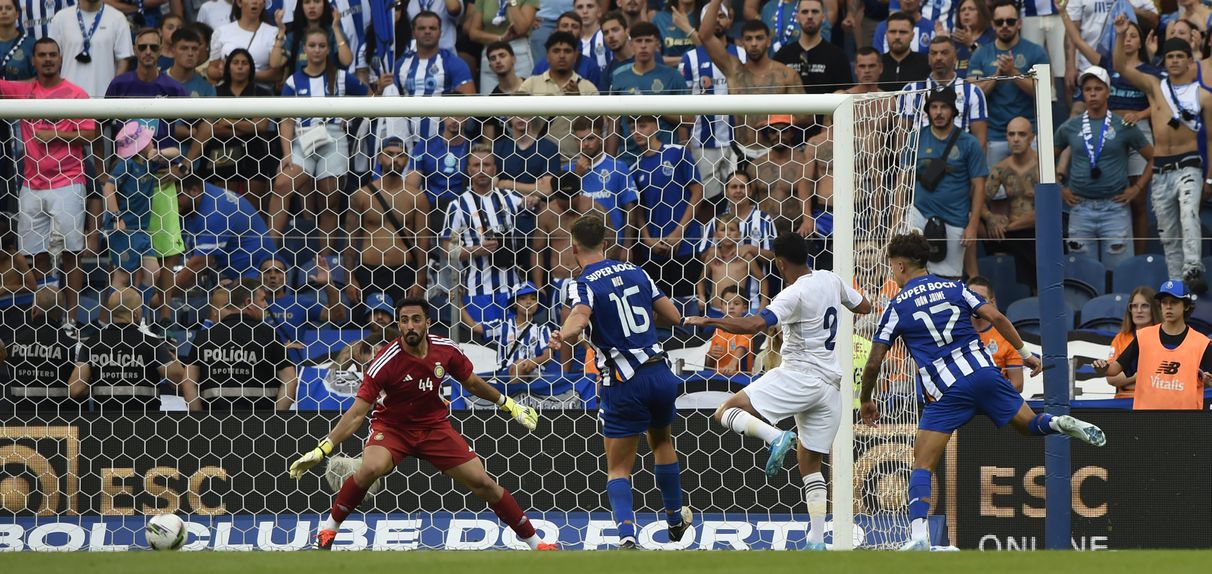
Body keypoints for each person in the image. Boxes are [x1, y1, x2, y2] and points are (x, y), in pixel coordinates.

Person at [859, 231, 1105, 551]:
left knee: (922, 464)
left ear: (902, 266)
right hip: (985, 373)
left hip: (947, 389)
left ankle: (919, 538)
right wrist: (1027, 355)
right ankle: (1059, 422)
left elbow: (875, 361)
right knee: (1030, 426)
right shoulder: (955, 287)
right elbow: (995, 316)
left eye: (892, 267)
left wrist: (866, 399)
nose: (892, 272)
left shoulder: (897, 306)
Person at [289, 297, 556, 550]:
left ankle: (536, 543)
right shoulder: (383, 363)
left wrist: (508, 405)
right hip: (392, 429)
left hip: (434, 428)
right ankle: (328, 530)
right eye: (404, 320)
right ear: (398, 325)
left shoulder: (446, 350)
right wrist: (323, 448)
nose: (409, 326)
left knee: (483, 483)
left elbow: (472, 382)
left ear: (427, 322)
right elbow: (357, 413)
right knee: (370, 468)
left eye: (416, 319)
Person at [686, 232, 872, 550]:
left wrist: (708, 320)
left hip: (799, 376)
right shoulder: (830, 279)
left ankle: (775, 437)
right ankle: (816, 540)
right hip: (830, 386)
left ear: (780, 262)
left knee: (726, 410)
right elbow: (865, 306)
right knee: (810, 463)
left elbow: (754, 325)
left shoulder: (792, 294)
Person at [550, 215, 692, 550]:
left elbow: (580, 316)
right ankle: (674, 520)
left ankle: (627, 536)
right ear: (605, 243)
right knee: (662, 442)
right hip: (659, 371)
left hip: (623, 380)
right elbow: (672, 316)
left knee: (618, 468)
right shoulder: (636, 271)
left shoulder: (581, 283)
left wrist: (564, 334)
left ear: (573, 248)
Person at [0, 37, 97, 326]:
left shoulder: (76, 94)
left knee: (70, 252)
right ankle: (45, 315)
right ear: (33, 59)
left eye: (52, 54)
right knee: (37, 253)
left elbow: (90, 134)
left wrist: (55, 135)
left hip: (68, 181)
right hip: (32, 183)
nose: (47, 59)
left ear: (61, 58)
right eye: (41, 55)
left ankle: (69, 318)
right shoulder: (23, 91)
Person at [1114, 19, 1210, 293]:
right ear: (1164, 60)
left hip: (1189, 163)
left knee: (1189, 214)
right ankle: (1178, 285)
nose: (1176, 61)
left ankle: (1193, 267)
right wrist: (1121, 36)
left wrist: (1211, 178)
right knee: (1167, 231)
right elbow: (1121, 67)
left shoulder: (1203, 95)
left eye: (1181, 56)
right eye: (1170, 56)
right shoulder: (1156, 86)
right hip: (1160, 168)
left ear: (1190, 60)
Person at [275, 27, 369, 255]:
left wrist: (351, 114)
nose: (317, 50)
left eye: (321, 45)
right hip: (303, 138)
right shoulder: (293, 81)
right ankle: (270, 251)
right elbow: (286, 120)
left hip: (333, 136)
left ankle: (324, 261)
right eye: (312, 45)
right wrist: (287, 153)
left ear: (329, 49)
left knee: (329, 198)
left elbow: (369, 97)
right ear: (304, 49)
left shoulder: (343, 77)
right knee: (282, 185)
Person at [1056, 66, 1153, 270]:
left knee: (1120, 272)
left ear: (1108, 91)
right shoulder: (1071, 126)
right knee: (1082, 273)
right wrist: (1059, 187)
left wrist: (1137, 188)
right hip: (1080, 208)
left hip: (1115, 209)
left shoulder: (1123, 126)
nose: (1092, 93)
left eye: (1098, 89)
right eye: (1088, 89)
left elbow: (1154, 158)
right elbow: (1045, 159)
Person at [699, 0, 803, 160]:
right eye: (749, 39)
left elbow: (806, 116)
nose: (754, 44)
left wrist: (775, 120)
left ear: (768, 41)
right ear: (742, 42)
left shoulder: (786, 74)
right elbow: (705, 35)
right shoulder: (734, 70)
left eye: (759, 38)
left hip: (776, 153)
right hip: (740, 151)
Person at [440, 144, 525, 325]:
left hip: (514, 290)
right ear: (469, 170)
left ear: (494, 169)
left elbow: (535, 207)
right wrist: (476, 250)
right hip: (478, 293)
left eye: (486, 165)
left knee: (511, 346)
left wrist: (534, 201)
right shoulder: (458, 206)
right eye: (476, 166)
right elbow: (448, 250)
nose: (481, 170)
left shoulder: (509, 198)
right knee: (483, 349)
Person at [1094, 280, 1212, 410]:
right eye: (1164, 302)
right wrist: (1103, 367)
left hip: (1185, 424)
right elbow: (1114, 370)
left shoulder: (1202, 343)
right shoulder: (1143, 337)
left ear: (1186, 306)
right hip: (1147, 422)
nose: (1168, 307)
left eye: (1174, 302)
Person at [909, 89, 987, 279]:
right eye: (934, 107)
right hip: (919, 213)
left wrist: (973, 225)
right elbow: (903, 177)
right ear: (928, 111)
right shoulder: (916, 137)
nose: (938, 112)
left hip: (954, 217)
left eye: (944, 107)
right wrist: (897, 216)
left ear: (953, 111)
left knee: (949, 278)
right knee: (912, 271)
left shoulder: (969, 143)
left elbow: (979, 185)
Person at [182, 279, 296, 411]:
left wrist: (200, 422)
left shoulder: (204, 337)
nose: (266, 305)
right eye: (263, 299)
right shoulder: (268, 335)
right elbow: (290, 380)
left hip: (214, 425)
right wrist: (275, 421)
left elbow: (188, 382)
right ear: (248, 302)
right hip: (261, 425)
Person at [344, 137, 429, 307]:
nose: (395, 159)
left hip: (403, 272)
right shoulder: (362, 195)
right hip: (369, 272)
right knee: (367, 329)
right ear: (379, 158)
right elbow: (349, 241)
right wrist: (349, 278)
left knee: (405, 328)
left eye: (400, 155)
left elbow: (423, 242)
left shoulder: (417, 197)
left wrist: (420, 279)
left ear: (407, 160)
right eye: (389, 154)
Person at [967, 0, 1049, 167]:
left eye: (1010, 21)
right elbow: (973, 94)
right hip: (995, 136)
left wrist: (1013, 73)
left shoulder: (1036, 52)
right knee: (995, 192)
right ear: (993, 25)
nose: (1005, 25)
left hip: (1030, 134)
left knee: (1032, 191)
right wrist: (997, 75)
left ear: (1019, 23)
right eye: (999, 22)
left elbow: (1044, 92)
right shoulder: (981, 54)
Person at [68, 287, 176, 411]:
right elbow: (179, 382)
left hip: (105, 424)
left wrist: (95, 383)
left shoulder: (92, 344)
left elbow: (75, 389)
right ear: (135, 312)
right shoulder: (151, 344)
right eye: (140, 308)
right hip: (146, 424)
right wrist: (175, 360)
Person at [631, 114, 703, 298]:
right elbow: (638, 209)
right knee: (660, 308)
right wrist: (647, 240)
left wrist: (679, 232)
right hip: (655, 250)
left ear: (655, 127)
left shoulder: (677, 153)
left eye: (642, 126)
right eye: (632, 128)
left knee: (686, 306)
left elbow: (697, 192)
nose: (637, 132)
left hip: (686, 245)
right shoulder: (635, 168)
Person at [173, 174, 276, 291]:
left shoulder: (215, 212)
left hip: (253, 275)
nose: (173, 201)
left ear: (194, 191)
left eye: (177, 195)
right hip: (228, 275)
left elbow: (200, 263)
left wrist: (164, 295)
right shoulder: (200, 195)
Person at [389, 11, 474, 151]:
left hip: (443, 143)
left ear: (441, 32)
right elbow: (391, 99)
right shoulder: (400, 64)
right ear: (413, 32)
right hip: (406, 142)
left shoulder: (454, 63)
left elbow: (469, 105)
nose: (427, 32)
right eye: (422, 28)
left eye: (432, 28)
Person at [680, 1, 738, 202]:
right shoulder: (690, 58)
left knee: (737, 200)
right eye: (712, 17)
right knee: (708, 201)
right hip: (702, 143)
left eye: (721, 16)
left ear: (729, 21)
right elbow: (683, 103)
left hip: (736, 142)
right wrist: (685, 141)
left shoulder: (742, 54)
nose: (716, 21)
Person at [609, 21, 688, 166]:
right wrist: (609, 161)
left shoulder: (673, 76)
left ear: (657, 44)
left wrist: (654, 107)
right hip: (629, 159)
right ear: (631, 43)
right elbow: (614, 124)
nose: (643, 46)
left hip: (665, 159)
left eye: (648, 41)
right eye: (639, 41)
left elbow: (689, 119)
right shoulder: (619, 76)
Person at [516, 30, 598, 161]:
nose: (561, 55)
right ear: (547, 56)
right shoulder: (530, 84)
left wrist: (579, 102)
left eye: (567, 51)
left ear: (576, 55)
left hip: (577, 163)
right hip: (537, 162)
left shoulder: (588, 88)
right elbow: (518, 123)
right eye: (556, 51)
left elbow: (598, 128)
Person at [899, 36, 989, 151]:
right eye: (934, 53)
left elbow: (980, 142)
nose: (938, 58)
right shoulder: (911, 90)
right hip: (920, 160)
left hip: (959, 160)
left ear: (955, 58)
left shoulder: (972, 92)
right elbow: (901, 139)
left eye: (944, 53)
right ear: (928, 58)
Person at [210, 48, 275, 202]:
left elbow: (261, 127)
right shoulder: (216, 92)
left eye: (244, 63)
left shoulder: (261, 93)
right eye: (235, 63)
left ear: (251, 67)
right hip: (223, 151)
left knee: (254, 208)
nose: (240, 67)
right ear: (228, 66)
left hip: (254, 151)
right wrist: (246, 127)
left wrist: (228, 122)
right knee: (225, 205)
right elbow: (212, 129)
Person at [982, 116, 1038, 288]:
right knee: (975, 221)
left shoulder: (1043, 167)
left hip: (1035, 232)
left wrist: (1007, 227)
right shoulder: (1001, 169)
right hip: (1009, 233)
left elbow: (1046, 212)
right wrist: (991, 218)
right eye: (1011, 134)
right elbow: (979, 202)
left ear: (1031, 137)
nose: (1015, 139)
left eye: (1021, 134)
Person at [0, 286, 75, 412]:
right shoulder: (73, 348)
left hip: (15, 423)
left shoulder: (9, 346)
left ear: (33, 310)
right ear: (62, 314)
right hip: (60, 424)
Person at [569, 116, 638, 250]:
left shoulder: (618, 167)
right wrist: (577, 175)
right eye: (580, 139)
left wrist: (627, 247)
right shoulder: (568, 172)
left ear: (601, 137)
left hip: (614, 247)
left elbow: (630, 209)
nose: (585, 144)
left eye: (590, 138)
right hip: (580, 248)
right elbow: (562, 210)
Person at [48, 0, 133, 97]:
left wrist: (112, 95)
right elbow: (52, 57)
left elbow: (123, 60)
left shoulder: (118, 18)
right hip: (68, 100)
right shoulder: (61, 18)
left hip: (103, 100)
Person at [751, 115, 811, 237]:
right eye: (773, 131)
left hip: (798, 232)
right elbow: (748, 200)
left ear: (792, 133)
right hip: (764, 232)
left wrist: (808, 219)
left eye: (784, 131)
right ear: (767, 134)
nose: (778, 135)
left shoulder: (804, 162)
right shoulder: (756, 165)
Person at [774, 0, 852, 94]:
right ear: (797, 17)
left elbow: (846, 94)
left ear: (823, 17)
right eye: (805, 12)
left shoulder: (838, 56)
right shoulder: (782, 56)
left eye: (815, 11)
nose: (810, 16)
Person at [696, 215, 766, 313]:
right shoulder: (711, 257)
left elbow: (763, 279)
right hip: (715, 311)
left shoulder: (745, 257)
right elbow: (701, 281)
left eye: (732, 230)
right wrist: (702, 297)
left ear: (739, 234)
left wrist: (763, 302)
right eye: (723, 230)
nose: (727, 233)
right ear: (716, 234)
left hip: (739, 313)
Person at [964, 276, 1023, 391]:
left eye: (981, 298)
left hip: (996, 402)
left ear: (992, 302)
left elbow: (1018, 384)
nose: (975, 303)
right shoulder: (955, 332)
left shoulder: (1006, 335)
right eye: (971, 298)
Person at [466, 0, 537, 95]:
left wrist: (512, 2)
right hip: (491, 51)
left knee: (525, 103)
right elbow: (473, 33)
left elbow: (521, 29)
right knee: (489, 105)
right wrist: (500, 38)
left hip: (518, 51)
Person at [1104, 285, 1160, 398]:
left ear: (1153, 309)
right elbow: (1111, 378)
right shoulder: (1120, 338)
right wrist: (1138, 376)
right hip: (1124, 401)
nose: (1139, 311)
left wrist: (1125, 379)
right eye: (1134, 306)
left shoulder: (1163, 336)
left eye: (1144, 306)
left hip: (1155, 400)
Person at [207, 0, 280, 86]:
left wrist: (245, 74)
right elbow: (211, 69)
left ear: (264, 4)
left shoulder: (274, 33)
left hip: (258, 95)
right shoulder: (222, 32)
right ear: (239, 2)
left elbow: (276, 74)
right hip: (228, 94)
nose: (255, 2)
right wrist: (223, 72)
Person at [271, 0, 353, 75]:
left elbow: (347, 61)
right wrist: (281, 31)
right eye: (307, 2)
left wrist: (336, 28)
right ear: (301, 6)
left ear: (324, 5)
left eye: (317, 2)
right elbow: (275, 64)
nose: (312, 6)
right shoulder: (294, 35)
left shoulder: (333, 32)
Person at [877, 12, 930, 91]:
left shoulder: (927, 64)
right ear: (886, 34)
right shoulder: (875, 65)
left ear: (912, 36)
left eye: (903, 32)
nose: (897, 37)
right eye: (892, 32)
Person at [704, 289, 752, 376]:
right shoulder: (718, 330)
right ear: (721, 308)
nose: (731, 306)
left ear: (744, 308)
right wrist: (710, 355)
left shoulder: (746, 327)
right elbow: (709, 365)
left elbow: (742, 348)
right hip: (718, 377)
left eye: (736, 303)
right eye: (727, 303)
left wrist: (732, 364)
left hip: (739, 378)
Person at [166, 26, 217, 98]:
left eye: (194, 49)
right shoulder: (157, 83)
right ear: (172, 50)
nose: (190, 53)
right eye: (184, 48)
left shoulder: (207, 88)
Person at [0, 0, 36, 80]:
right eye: (0, 9)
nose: (3, 12)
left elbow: (39, 79)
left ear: (17, 14)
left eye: (8, 8)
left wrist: (11, 88)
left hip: (22, 92)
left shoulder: (31, 45)